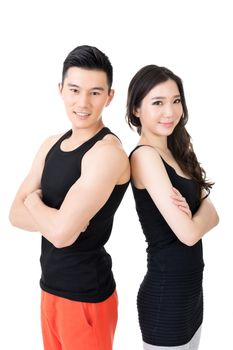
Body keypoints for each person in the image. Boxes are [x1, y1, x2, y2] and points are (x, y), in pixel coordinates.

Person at [9, 45, 130, 350]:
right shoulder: (50, 144)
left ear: (109, 96)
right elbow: (14, 214)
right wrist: (58, 220)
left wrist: (35, 203)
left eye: (95, 92)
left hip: (86, 297)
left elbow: (61, 234)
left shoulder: (107, 154)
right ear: (61, 89)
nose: (83, 103)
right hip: (49, 290)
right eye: (75, 90)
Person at [126, 65, 219, 349]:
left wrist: (198, 217)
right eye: (158, 102)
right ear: (136, 110)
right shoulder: (145, 157)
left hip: (192, 295)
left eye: (176, 100)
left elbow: (214, 214)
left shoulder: (177, 152)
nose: (170, 111)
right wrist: (198, 217)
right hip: (166, 299)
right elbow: (189, 234)